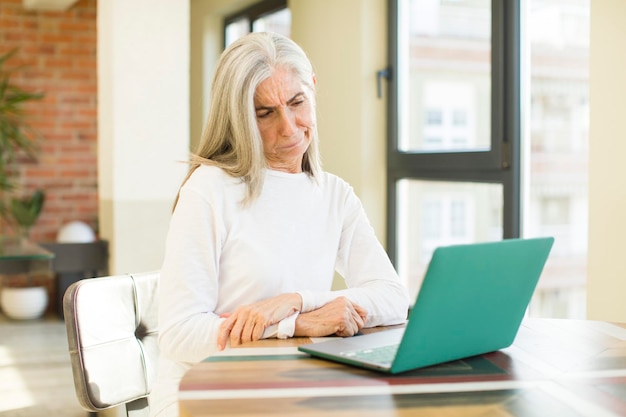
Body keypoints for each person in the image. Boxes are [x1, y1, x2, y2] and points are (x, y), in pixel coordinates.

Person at [148, 32, 411, 417]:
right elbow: (180, 334)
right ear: (238, 117)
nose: (288, 128)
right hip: (205, 391)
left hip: (292, 385)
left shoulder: (335, 195)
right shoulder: (209, 189)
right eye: (264, 113)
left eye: (297, 102)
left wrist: (295, 301)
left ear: (314, 89)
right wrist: (296, 324)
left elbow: (392, 298)